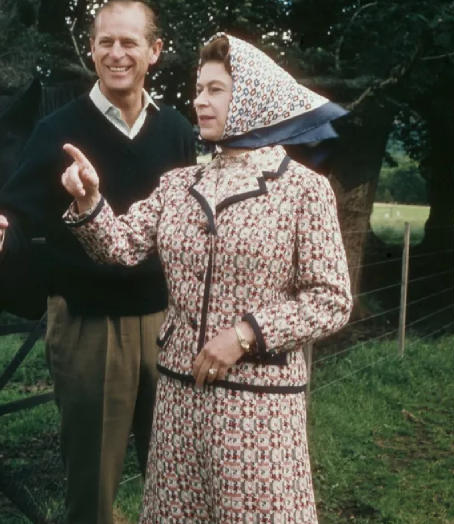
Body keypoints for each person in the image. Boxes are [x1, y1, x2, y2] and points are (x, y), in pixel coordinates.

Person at [59, 33, 353, 522]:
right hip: (178, 398)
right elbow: (120, 246)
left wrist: (245, 335)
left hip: (259, 408)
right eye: (198, 88)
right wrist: (89, 200)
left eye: (216, 89)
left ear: (254, 98)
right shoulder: (179, 183)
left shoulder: (303, 190)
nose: (199, 100)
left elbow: (331, 299)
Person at [0, 0, 197, 524]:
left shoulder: (176, 132)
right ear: (92, 50)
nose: (117, 53)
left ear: (154, 52)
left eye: (129, 42)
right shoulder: (59, 129)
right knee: (93, 488)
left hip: (167, 325)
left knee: (175, 478)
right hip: (89, 326)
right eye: (106, 42)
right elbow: (17, 209)